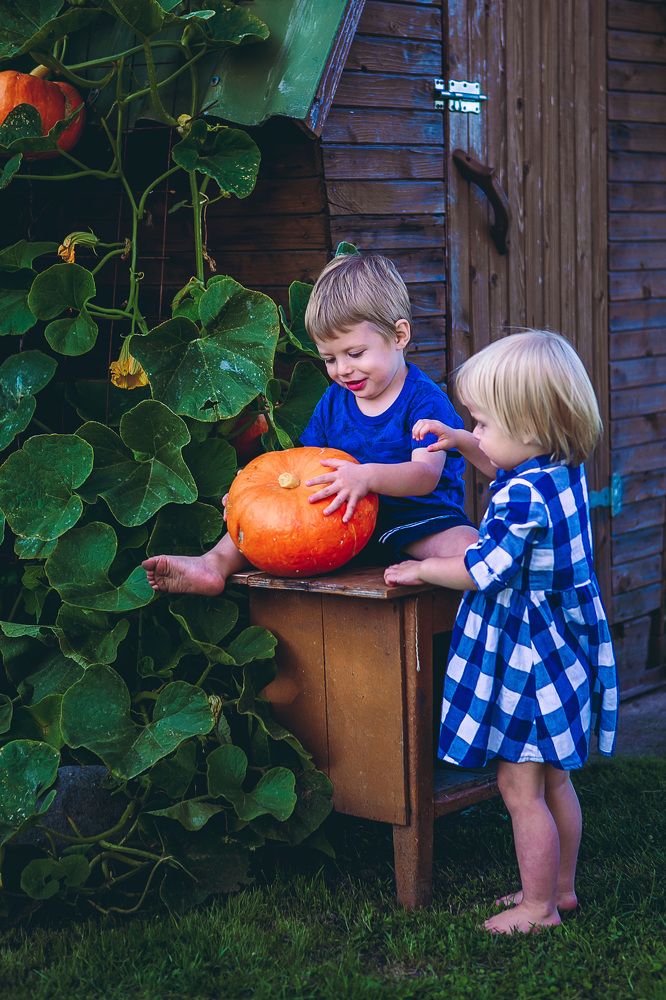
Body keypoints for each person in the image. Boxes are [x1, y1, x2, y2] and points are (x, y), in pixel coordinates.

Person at [384, 330, 618, 935]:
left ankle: (538, 910)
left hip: (528, 659)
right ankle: (561, 889)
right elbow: (503, 460)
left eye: (482, 423)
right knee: (556, 778)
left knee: (520, 788)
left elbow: (477, 568)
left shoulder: (519, 499)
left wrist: (420, 568)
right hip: (563, 650)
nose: (476, 433)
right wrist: (463, 442)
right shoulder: (557, 470)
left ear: (530, 427)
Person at [142, 253, 477, 595]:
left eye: (355, 353)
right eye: (330, 359)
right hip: (342, 522)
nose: (342, 369)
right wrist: (250, 497)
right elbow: (302, 466)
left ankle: (430, 569)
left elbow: (425, 476)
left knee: (471, 549)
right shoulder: (334, 400)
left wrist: (367, 477)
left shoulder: (424, 400)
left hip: (417, 523)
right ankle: (214, 564)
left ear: (399, 335)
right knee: (262, 525)